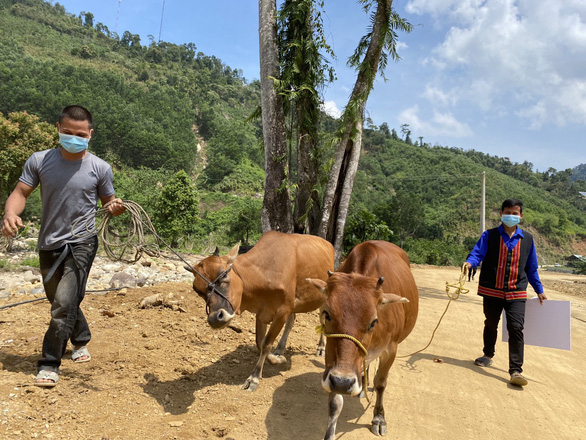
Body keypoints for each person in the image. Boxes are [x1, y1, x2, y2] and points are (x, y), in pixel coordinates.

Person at [1, 105, 125, 387]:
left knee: (63, 305)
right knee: (61, 301)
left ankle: (49, 362)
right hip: (48, 243)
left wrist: (115, 208)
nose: (74, 137)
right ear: (57, 129)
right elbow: (20, 192)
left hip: (82, 242)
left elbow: (109, 202)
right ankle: (80, 339)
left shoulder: (100, 168)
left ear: (90, 134)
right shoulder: (40, 161)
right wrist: (10, 214)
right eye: (67, 132)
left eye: (80, 134)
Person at [464, 198, 546, 387]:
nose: (511, 216)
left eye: (515, 213)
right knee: (491, 323)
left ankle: (516, 370)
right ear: (501, 214)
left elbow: (531, 268)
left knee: (516, 328)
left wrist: (539, 290)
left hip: (516, 292)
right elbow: (478, 253)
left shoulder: (528, 240)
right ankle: (487, 355)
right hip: (492, 290)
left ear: (521, 216)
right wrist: (470, 263)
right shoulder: (489, 235)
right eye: (508, 212)